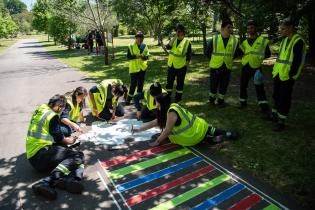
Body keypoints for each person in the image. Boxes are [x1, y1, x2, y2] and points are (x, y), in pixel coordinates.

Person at [27, 95, 85, 200]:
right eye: (61, 109)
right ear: (58, 106)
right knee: (78, 156)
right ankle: (46, 182)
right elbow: (61, 139)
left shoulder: (42, 108)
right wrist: (72, 140)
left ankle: (68, 180)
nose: (61, 111)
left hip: (33, 154)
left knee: (71, 157)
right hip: (40, 155)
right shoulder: (52, 116)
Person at [132, 93, 237, 147]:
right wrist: (138, 130)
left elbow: (167, 131)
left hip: (190, 136)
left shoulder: (170, 113)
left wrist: (157, 142)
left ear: (162, 104)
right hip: (200, 127)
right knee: (209, 130)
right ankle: (226, 134)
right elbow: (155, 122)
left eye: (157, 102)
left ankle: (210, 139)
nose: (156, 104)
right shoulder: (173, 106)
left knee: (164, 136)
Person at [270, 18, 306, 131]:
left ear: (291, 27)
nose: (281, 31)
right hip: (279, 73)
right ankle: (274, 116)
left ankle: (281, 122)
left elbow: (297, 61)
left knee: (284, 98)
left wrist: (292, 74)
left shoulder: (298, 41)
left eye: (283, 28)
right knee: (276, 95)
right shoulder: (285, 40)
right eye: (281, 28)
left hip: (287, 76)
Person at [205, 19, 241, 107]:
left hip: (227, 66)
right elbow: (207, 52)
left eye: (231, 27)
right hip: (215, 66)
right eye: (228, 27)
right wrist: (214, 60)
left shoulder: (235, 40)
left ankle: (221, 101)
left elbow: (237, 53)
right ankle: (211, 100)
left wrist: (229, 59)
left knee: (224, 85)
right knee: (213, 84)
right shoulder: (214, 39)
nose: (230, 29)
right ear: (222, 28)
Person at [239, 20, 271, 115]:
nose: (249, 30)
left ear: (255, 28)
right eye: (248, 28)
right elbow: (241, 53)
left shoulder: (262, 41)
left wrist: (259, 58)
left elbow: (268, 54)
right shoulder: (244, 42)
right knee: (243, 85)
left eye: (251, 28)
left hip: (256, 67)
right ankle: (243, 102)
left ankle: (263, 106)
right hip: (246, 66)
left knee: (259, 87)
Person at [163, 23, 192, 102]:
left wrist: (187, 63)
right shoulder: (174, 40)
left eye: (179, 31)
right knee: (169, 82)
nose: (177, 33)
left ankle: (178, 98)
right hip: (171, 65)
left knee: (180, 83)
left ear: (183, 32)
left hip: (181, 66)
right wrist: (174, 38)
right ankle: (168, 97)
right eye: (176, 31)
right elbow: (168, 47)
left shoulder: (187, 42)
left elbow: (189, 55)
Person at [126, 31, 150, 104]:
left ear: (142, 39)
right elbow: (128, 57)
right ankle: (129, 99)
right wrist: (136, 56)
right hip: (133, 69)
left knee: (140, 84)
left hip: (142, 68)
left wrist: (143, 57)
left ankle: (138, 100)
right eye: (137, 38)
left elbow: (147, 57)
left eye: (141, 38)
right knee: (133, 85)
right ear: (135, 38)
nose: (139, 39)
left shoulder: (145, 46)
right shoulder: (130, 46)